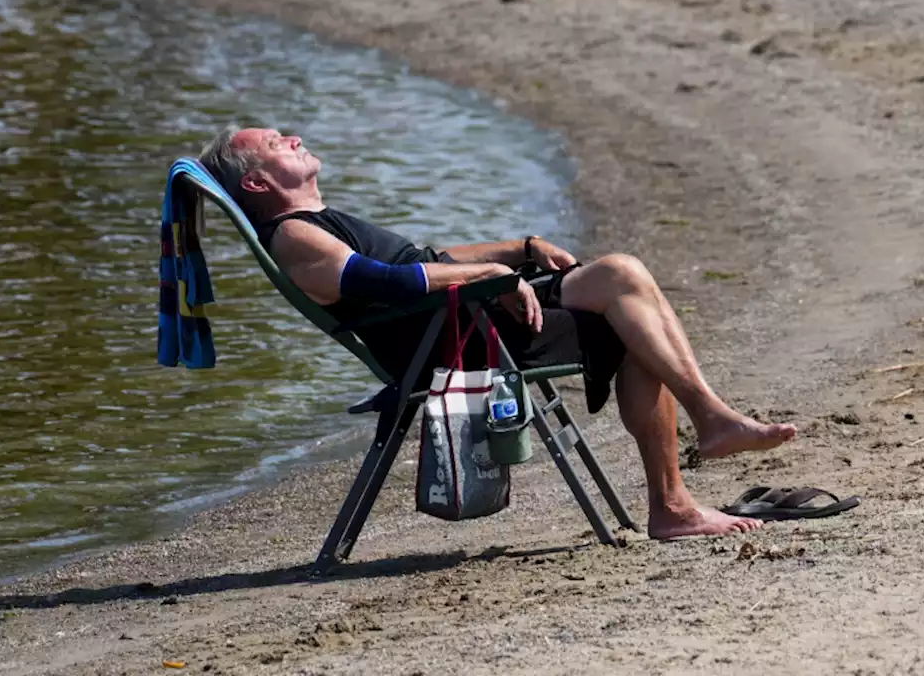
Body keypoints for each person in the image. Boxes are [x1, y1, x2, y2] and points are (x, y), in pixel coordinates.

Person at [199, 125, 798, 539]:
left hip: (465, 319)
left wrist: (519, 249)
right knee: (631, 308)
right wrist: (487, 274)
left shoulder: (317, 222)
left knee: (623, 279)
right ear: (256, 183)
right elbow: (378, 281)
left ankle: (696, 458)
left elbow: (424, 257)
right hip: (457, 341)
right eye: (277, 143)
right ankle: (686, 477)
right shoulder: (293, 234)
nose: (294, 138)